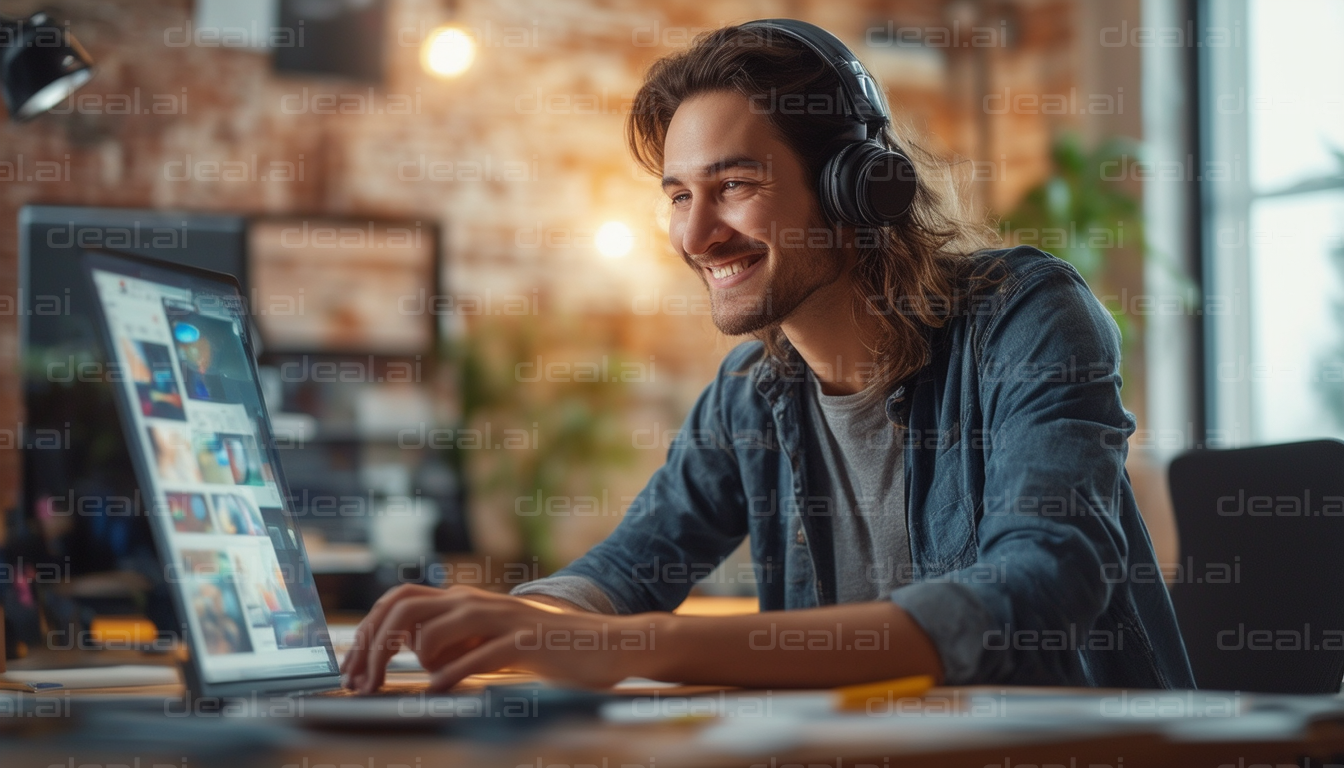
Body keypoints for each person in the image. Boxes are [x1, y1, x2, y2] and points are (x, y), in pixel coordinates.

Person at [340, 19, 1195, 694]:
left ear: (856, 186)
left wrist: (637, 646)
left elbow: (1037, 592)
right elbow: (628, 571)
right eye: (679, 195)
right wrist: (511, 620)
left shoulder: (1025, 316)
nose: (696, 234)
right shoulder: (755, 389)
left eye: (734, 185)